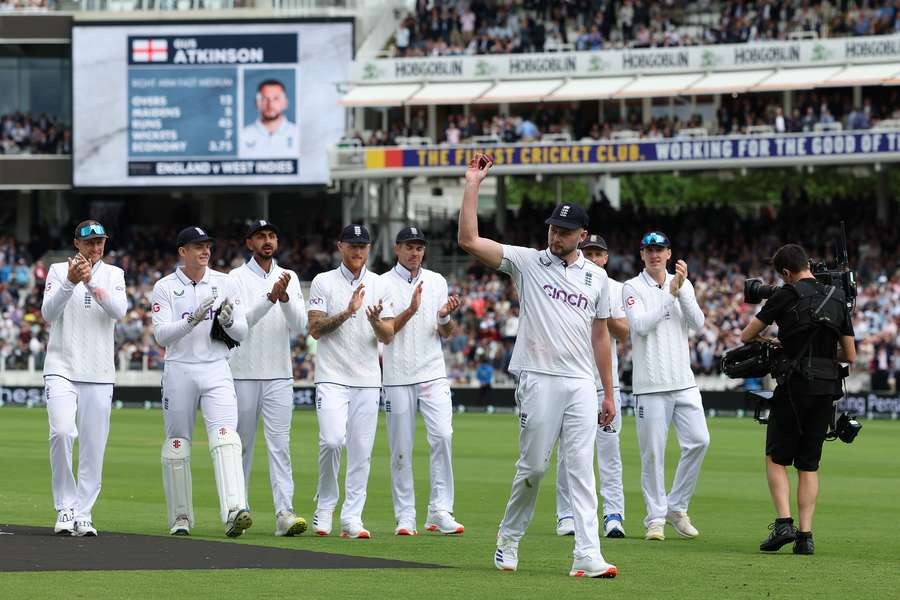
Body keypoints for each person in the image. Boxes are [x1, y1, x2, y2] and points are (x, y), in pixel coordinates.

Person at [458, 153, 618, 579]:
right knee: (534, 468)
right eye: (552, 227)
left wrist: (609, 391)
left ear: (582, 236)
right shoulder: (527, 262)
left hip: (581, 382)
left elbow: (601, 335)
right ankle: (508, 539)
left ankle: (586, 554)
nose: (556, 235)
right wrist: (472, 184)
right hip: (538, 377)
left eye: (564, 231)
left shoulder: (597, 278)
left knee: (582, 468)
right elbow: (470, 241)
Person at [740, 243, 855, 555]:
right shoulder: (838, 297)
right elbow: (851, 355)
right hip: (827, 387)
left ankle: (783, 523)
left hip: (793, 385)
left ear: (786, 273)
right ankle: (805, 537)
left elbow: (747, 335)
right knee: (809, 465)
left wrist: (782, 343)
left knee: (776, 458)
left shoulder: (785, 294)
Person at [151, 226, 252, 538]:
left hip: (216, 367)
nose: (205, 251)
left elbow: (242, 332)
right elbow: (160, 335)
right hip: (180, 369)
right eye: (198, 247)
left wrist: (229, 321)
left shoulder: (225, 282)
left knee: (225, 438)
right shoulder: (165, 287)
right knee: (177, 445)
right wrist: (192, 319)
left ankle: (234, 511)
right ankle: (180, 517)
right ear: (183, 251)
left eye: (207, 246)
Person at [307, 224, 396, 539]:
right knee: (332, 441)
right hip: (332, 376)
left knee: (361, 451)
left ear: (370, 249)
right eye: (352, 245)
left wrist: (374, 322)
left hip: (368, 379)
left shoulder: (380, 284)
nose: (358, 251)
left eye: (363, 246)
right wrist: (347, 312)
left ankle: (352, 517)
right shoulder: (323, 281)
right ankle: (325, 506)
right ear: (340, 247)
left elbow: (389, 333)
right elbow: (315, 329)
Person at [41, 220, 126, 537]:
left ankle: (84, 512)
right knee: (62, 432)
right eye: (89, 243)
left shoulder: (114, 274)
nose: (95, 248)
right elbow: (48, 313)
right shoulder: (56, 271)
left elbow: (118, 311)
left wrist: (90, 282)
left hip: (100, 371)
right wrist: (70, 282)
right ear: (76, 244)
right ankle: (65, 505)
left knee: (93, 446)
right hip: (61, 366)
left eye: (100, 242)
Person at [622, 231, 709, 542]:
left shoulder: (682, 283)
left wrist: (681, 290)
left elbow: (698, 322)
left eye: (660, 250)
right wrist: (669, 294)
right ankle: (655, 518)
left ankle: (677, 507)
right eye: (649, 250)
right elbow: (641, 326)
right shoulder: (632, 287)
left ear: (669, 253)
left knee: (699, 441)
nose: (655, 255)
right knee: (653, 454)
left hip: (683, 381)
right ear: (642, 254)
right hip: (650, 386)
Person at [380, 226, 463, 537]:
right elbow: (386, 332)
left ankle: (440, 510)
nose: (415, 252)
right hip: (398, 375)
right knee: (401, 447)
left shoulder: (437, 281)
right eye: (409, 247)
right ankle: (405, 515)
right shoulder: (383, 284)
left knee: (442, 436)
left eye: (419, 247)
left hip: (432, 371)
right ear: (397, 249)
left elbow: (446, 332)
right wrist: (411, 309)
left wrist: (443, 316)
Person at [229, 220, 308, 537]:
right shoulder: (233, 278)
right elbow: (240, 324)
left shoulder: (289, 276)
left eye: (272, 236)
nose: (267, 241)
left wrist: (286, 298)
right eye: (261, 236)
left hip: (278, 374)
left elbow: (301, 325)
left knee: (280, 446)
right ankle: (237, 510)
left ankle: (284, 513)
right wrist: (271, 298)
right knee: (241, 446)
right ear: (249, 243)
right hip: (242, 373)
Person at [556, 235, 629, 539]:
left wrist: (604, 310)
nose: (595, 258)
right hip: (572, 378)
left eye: (599, 253)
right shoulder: (567, 281)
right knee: (569, 452)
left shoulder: (614, 288)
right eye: (590, 253)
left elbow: (623, 333)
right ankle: (566, 514)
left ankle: (613, 515)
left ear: (606, 257)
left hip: (604, 384)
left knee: (609, 451)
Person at [240, 79, 300, 159]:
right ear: (257, 103)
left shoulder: (298, 134)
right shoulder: (243, 135)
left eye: (276, 98)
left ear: (285, 103)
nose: (270, 105)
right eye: (265, 99)